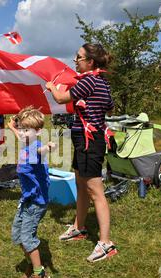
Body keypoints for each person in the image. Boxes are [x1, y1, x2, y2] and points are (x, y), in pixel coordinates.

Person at [46, 43, 118, 262]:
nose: (75, 61)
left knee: (95, 190)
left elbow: (60, 98)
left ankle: (106, 243)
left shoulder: (88, 80)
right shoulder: (102, 82)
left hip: (89, 141)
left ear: (91, 62)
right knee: (80, 184)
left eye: (78, 57)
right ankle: (80, 226)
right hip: (85, 138)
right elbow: (110, 106)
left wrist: (51, 86)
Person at [8, 106, 55, 278]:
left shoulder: (36, 148)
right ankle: (31, 263)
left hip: (36, 202)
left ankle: (40, 274)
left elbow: (42, 151)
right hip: (26, 199)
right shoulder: (26, 141)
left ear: (39, 132)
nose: (23, 133)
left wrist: (50, 147)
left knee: (27, 237)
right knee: (17, 235)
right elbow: (19, 134)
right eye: (22, 129)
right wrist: (13, 125)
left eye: (27, 129)